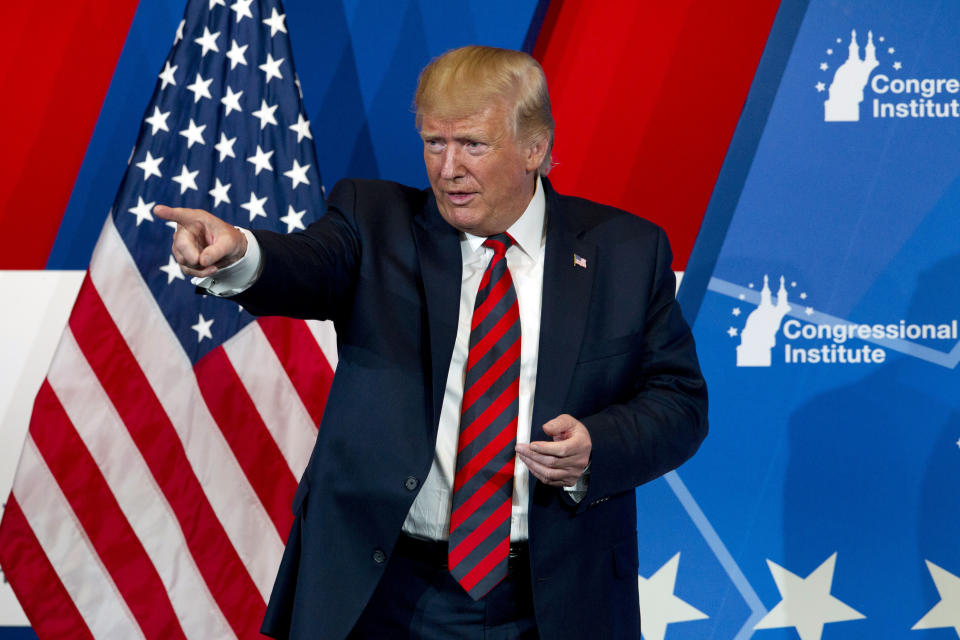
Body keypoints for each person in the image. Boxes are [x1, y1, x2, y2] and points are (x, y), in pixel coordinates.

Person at [156, 45, 707, 640]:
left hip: (554, 597)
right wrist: (239, 253)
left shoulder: (624, 252)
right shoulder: (375, 223)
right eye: (433, 143)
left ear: (535, 148)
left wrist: (596, 446)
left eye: (472, 144)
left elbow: (678, 403)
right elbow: (302, 263)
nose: (448, 169)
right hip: (385, 589)